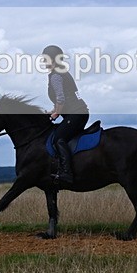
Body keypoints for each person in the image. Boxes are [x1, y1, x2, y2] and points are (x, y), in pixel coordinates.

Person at [42, 44, 89, 186]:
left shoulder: (56, 75)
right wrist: (53, 110)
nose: (44, 62)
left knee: (58, 139)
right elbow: (63, 99)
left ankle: (66, 173)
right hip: (77, 113)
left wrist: (56, 113)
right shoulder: (62, 73)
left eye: (45, 59)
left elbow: (61, 98)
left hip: (75, 115)